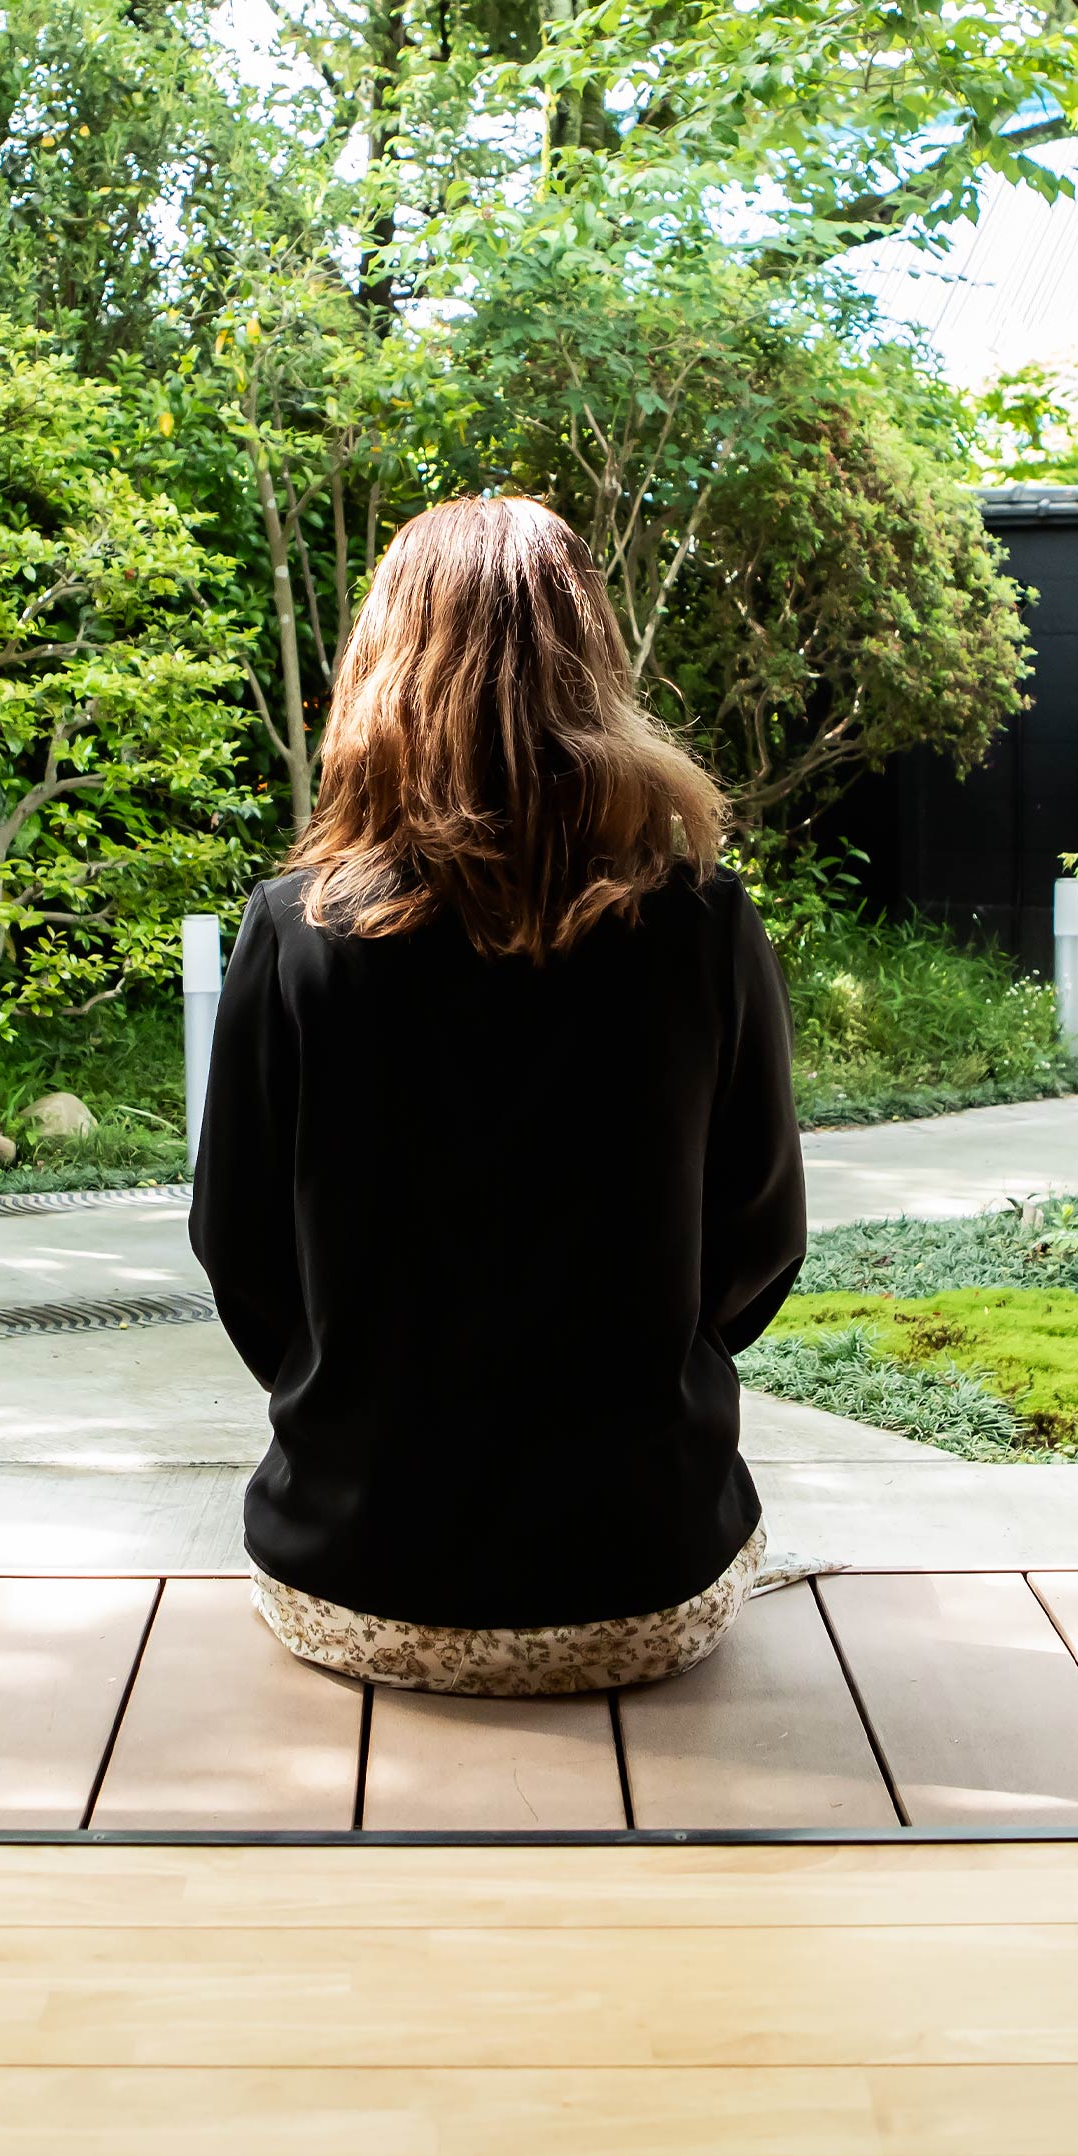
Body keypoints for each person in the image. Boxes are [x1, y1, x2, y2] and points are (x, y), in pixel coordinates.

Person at [189, 496, 806, 1697]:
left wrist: (361, 1389)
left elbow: (238, 1245)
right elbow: (760, 1241)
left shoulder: (294, 931)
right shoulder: (703, 922)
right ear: (593, 664)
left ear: (384, 668)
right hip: (645, 1581)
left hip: (351, 1580)